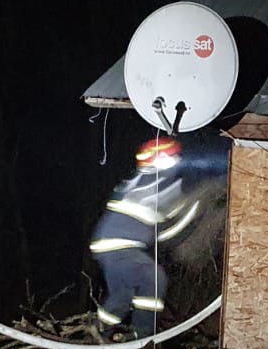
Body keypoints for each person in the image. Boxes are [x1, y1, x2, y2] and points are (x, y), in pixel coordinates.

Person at [88, 137, 213, 338]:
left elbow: (163, 227)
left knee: (122, 295)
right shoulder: (153, 180)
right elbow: (171, 218)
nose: (177, 161)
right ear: (159, 159)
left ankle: (99, 331)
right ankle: (143, 335)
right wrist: (200, 198)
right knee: (154, 279)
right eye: (172, 157)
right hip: (120, 246)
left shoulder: (145, 182)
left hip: (107, 245)